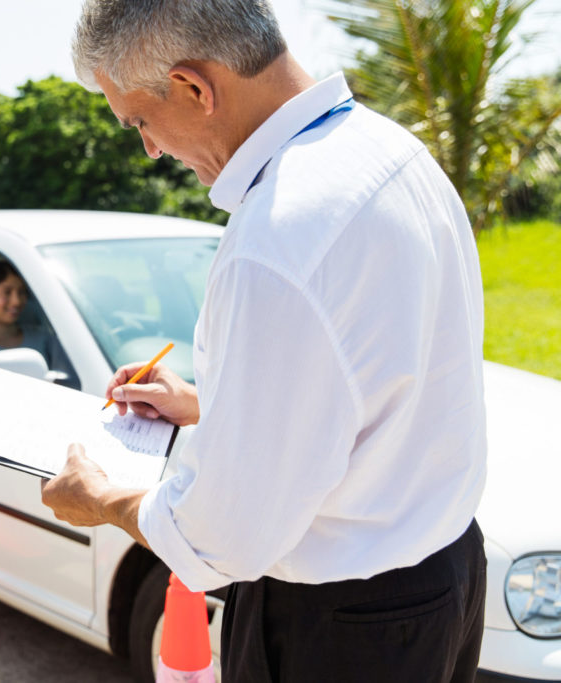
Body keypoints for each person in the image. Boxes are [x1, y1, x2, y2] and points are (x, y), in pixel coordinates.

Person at [40, 2, 488, 681]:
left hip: (341, 628)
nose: (150, 148)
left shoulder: (277, 240)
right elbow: (379, 378)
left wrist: (101, 496)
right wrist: (208, 405)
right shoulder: (393, 152)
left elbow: (223, 537)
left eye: (138, 120)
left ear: (194, 88)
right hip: (446, 574)